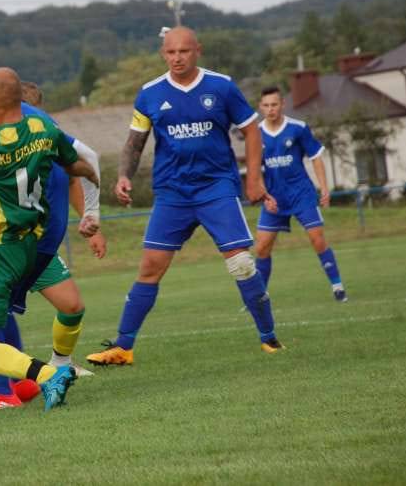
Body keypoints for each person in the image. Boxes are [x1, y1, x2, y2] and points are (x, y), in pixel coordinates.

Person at [86, 26, 284, 367]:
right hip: (172, 193)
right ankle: (123, 347)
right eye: (170, 52)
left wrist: (254, 179)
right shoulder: (149, 94)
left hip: (216, 188)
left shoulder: (221, 86)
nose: (177, 58)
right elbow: (135, 142)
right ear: (163, 54)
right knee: (149, 267)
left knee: (240, 263)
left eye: (184, 51)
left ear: (197, 51)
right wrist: (123, 176)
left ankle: (269, 339)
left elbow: (251, 130)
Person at [0, 67, 99, 411]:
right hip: (32, 243)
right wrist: (94, 202)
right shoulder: (43, 129)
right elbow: (82, 165)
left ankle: (36, 378)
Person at [254, 86, 347, 302]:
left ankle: (337, 286)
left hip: (301, 194)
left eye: (274, 104)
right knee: (262, 246)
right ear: (260, 107)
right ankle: (259, 296)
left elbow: (316, 157)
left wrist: (324, 188)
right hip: (274, 198)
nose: (270, 109)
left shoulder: (298, 128)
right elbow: (254, 169)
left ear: (282, 104)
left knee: (317, 239)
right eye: (266, 105)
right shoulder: (256, 134)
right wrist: (264, 196)